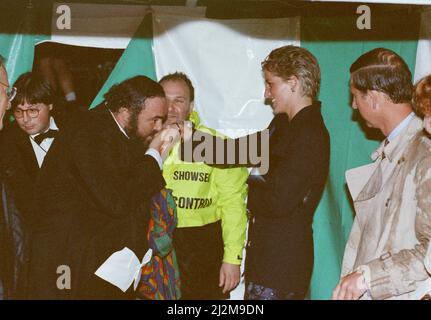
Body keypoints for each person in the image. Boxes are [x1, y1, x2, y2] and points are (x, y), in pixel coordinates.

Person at [179, 45, 330, 299]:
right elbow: (236, 152)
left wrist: (238, 191)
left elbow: (279, 200)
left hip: (282, 265)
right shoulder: (283, 125)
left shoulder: (309, 134)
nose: (266, 93)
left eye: (271, 84)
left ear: (293, 83)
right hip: (266, 260)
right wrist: (189, 138)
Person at [27, 75, 179, 299]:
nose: (158, 127)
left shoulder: (116, 130)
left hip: (97, 262)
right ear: (126, 112)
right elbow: (117, 200)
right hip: (66, 262)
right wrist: (156, 153)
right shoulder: (88, 132)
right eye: (154, 120)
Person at [332, 48, 431, 300]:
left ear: (374, 98)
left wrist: (369, 277)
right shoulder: (398, 149)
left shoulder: (425, 152)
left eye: (356, 96)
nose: (353, 105)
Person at [159, 72, 248, 299]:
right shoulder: (138, 144)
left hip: (202, 249)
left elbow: (233, 204)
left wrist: (232, 259)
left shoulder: (217, 146)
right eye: (164, 99)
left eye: (178, 100)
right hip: (152, 246)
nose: (170, 108)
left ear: (190, 106)